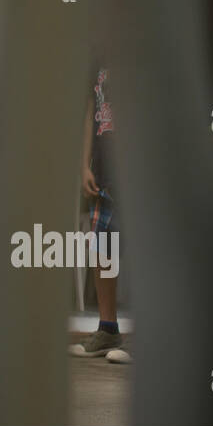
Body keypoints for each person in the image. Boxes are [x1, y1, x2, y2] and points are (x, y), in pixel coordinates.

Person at [70, 65, 132, 363]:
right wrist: (84, 165)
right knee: (103, 247)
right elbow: (87, 112)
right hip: (104, 167)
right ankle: (108, 329)